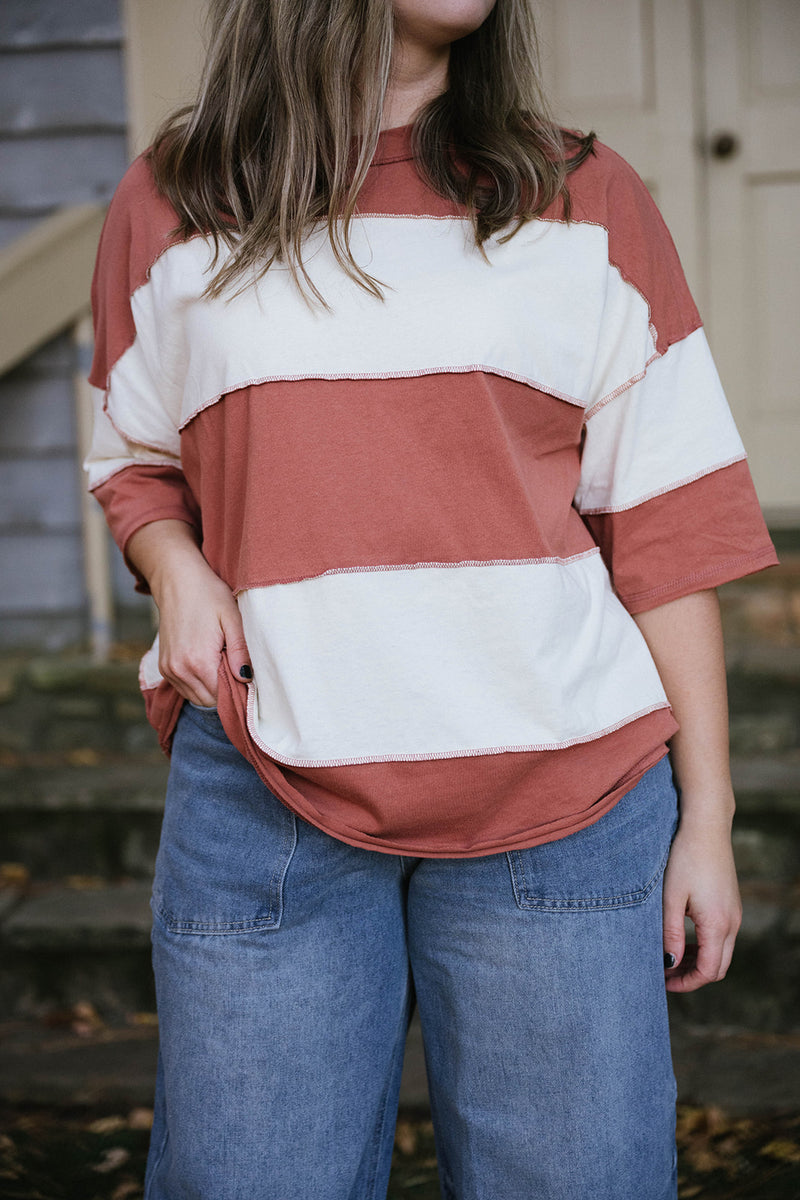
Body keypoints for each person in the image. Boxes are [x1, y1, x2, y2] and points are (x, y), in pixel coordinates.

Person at [84, 0, 778, 1196]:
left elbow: (667, 530)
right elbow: (130, 453)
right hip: (265, 788)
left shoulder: (582, 195)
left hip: (563, 803)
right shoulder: (177, 197)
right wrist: (174, 564)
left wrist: (705, 819)